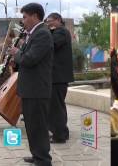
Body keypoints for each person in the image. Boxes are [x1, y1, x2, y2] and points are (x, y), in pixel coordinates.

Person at [10, 3, 53, 166]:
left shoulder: (42, 34)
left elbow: (29, 59)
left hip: (37, 89)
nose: (23, 20)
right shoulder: (33, 34)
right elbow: (27, 57)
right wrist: (18, 55)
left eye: (25, 17)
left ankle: (43, 160)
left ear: (35, 16)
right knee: (32, 126)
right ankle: (37, 155)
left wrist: (17, 53)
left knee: (38, 127)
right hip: (30, 89)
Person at [46, 13, 74, 143]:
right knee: (57, 106)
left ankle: (60, 135)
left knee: (57, 107)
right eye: (47, 21)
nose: (48, 24)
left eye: (50, 21)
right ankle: (61, 132)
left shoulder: (61, 32)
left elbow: (51, 45)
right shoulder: (57, 32)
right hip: (56, 77)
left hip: (58, 76)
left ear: (58, 20)